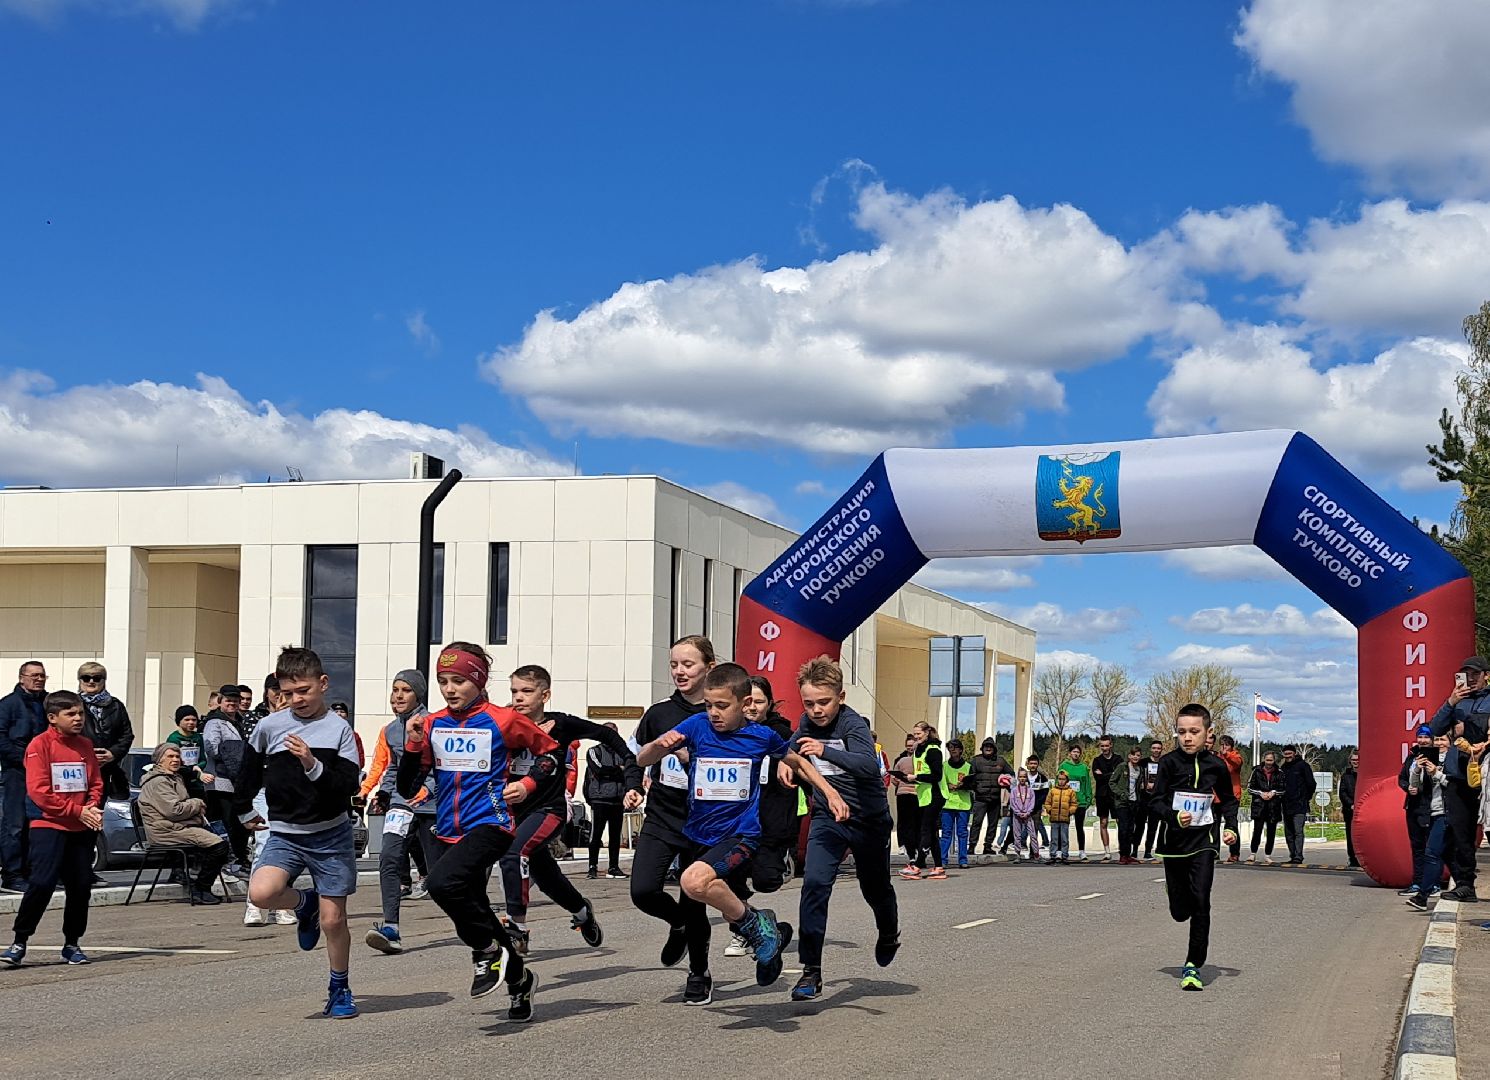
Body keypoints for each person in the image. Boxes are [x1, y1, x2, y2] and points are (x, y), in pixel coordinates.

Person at [636, 662, 844, 1004]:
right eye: (708, 705)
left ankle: (756, 927)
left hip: (739, 836)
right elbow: (643, 760)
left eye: (722, 706)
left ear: (745, 703)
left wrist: (830, 794)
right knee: (700, 900)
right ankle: (760, 927)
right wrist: (660, 745)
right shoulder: (697, 725)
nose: (713, 713)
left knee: (693, 882)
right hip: (697, 835)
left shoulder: (761, 736)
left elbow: (800, 764)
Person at [396, 643, 558, 1023]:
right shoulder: (432, 724)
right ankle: (520, 979)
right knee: (474, 909)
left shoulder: (503, 719)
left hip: (492, 823)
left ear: (479, 681)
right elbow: (408, 787)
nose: (449, 689)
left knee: (441, 885)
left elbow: (550, 755)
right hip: (449, 829)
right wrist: (413, 744)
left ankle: (485, 951)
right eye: (443, 681)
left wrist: (527, 785)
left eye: (459, 681)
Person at [234, 647, 363, 1020]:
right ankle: (305, 905)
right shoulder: (269, 727)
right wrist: (243, 809)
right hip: (286, 834)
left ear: (323, 684)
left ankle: (339, 988)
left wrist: (310, 761)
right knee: (261, 893)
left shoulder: (339, 731)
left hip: (330, 835)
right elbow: (247, 771)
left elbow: (347, 786)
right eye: (288, 693)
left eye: (304, 691)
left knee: (333, 921)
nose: (296, 700)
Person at [499, 664, 640, 955]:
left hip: (549, 809)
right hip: (515, 811)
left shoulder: (561, 724)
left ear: (545, 695)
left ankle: (516, 927)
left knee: (513, 853)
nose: (518, 697)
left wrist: (630, 769)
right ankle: (582, 911)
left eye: (527, 691)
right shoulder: (504, 721)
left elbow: (606, 735)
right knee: (546, 876)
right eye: (514, 691)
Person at [782, 656, 899, 1001]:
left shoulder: (853, 725)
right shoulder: (806, 722)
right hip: (828, 818)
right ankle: (811, 971)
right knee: (815, 884)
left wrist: (824, 751)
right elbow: (791, 749)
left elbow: (867, 766)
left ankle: (889, 932)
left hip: (869, 821)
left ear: (841, 697)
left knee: (874, 888)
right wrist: (787, 763)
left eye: (824, 702)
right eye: (809, 703)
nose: (816, 710)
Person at [629, 635, 718, 988]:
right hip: (662, 815)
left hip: (703, 820)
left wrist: (690, 758)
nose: (680, 671)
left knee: (693, 896)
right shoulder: (660, 713)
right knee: (642, 890)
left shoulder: (718, 714)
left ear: (709, 667)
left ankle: (699, 973)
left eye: (688, 664)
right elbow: (635, 754)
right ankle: (677, 923)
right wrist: (634, 786)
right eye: (674, 665)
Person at [0, 690, 103, 968]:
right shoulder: (39, 745)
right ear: (52, 718)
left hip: (81, 827)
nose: (78, 718)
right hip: (49, 824)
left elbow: (95, 783)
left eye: (80, 713)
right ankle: (19, 941)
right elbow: (39, 791)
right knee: (42, 883)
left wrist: (91, 805)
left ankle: (72, 944)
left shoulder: (85, 745)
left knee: (80, 886)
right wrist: (77, 810)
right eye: (71, 714)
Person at [1150, 703, 1237, 991]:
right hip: (1174, 843)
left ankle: (1193, 965)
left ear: (1208, 733)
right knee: (1180, 912)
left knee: (1201, 899)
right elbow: (1155, 802)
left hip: (1204, 842)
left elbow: (1229, 800)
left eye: (1194, 732)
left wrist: (1231, 827)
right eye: (1182, 732)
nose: (1187, 738)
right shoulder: (1168, 763)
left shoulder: (1217, 765)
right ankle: (1174, 892)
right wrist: (1174, 816)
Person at [362, 669, 438, 956]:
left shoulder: (434, 724)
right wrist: (384, 793)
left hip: (432, 806)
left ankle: (481, 926)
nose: (398, 696)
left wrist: (426, 790)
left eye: (405, 690)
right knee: (390, 858)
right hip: (401, 804)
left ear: (418, 694)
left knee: (441, 876)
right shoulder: (391, 730)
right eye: (395, 690)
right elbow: (394, 767)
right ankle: (391, 928)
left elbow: (441, 767)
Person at [138, 742, 233, 904]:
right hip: (166, 831)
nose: (175, 760)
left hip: (178, 826)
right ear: (159, 760)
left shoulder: (174, 777)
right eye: (170, 756)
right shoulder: (159, 782)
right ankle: (200, 889)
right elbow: (174, 811)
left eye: (177, 756)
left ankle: (200, 885)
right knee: (219, 847)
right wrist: (196, 803)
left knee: (217, 844)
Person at [1429, 656, 1490, 902]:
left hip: (1485, 776)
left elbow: (1482, 732)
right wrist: (1451, 702)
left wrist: (1466, 727)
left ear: (1486, 675)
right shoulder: (1457, 701)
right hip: (1458, 776)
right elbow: (1434, 729)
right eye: (1467, 674)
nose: (1471, 679)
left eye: (1476, 674)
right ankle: (1465, 884)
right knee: (1458, 834)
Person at [0, 661, 47, 892]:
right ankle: (12, 875)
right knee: (15, 824)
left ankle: (33, 871)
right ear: (22, 678)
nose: (39, 679)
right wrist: (25, 758)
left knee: (38, 824)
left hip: (44, 773)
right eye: (34, 675)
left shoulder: (48, 703)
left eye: (42, 675)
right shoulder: (8, 704)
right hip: (16, 772)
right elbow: (1, 738)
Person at [203, 690, 251, 874]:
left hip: (238, 780)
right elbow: (212, 748)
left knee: (240, 822)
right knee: (228, 821)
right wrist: (236, 752)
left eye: (235, 701)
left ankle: (240, 858)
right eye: (228, 701)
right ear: (220, 702)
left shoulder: (240, 721)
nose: (232, 704)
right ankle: (230, 860)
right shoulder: (214, 722)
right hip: (220, 780)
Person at [1405, 735, 1453, 911]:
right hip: (1430, 813)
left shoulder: (1454, 760)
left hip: (1447, 813)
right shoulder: (1429, 759)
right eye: (1437, 740)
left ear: (1450, 743)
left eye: (1443, 740)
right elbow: (1415, 786)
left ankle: (1422, 896)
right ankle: (1465, 886)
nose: (1440, 743)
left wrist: (1436, 773)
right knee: (1446, 855)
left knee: (1431, 853)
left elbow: (1455, 785)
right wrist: (1417, 769)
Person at [75, 662, 134, 801]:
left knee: (99, 808)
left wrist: (112, 754)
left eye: (96, 678)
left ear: (104, 681)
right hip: (78, 768)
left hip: (107, 769)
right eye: (86, 677)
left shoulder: (116, 705)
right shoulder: (71, 703)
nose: (91, 681)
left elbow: (126, 735)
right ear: (80, 680)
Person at [584, 723, 632, 879]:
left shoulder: (623, 753)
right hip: (599, 799)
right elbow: (599, 770)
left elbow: (630, 770)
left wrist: (617, 772)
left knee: (615, 836)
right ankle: (592, 867)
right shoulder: (594, 751)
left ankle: (613, 866)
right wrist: (618, 770)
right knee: (596, 834)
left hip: (617, 800)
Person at [1398, 727, 1440, 898]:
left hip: (1431, 807)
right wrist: (1407, 787)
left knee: (1432, 849)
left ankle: (1434, 884)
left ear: (1432, 739)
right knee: (1417, 847)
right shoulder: (1412, 757)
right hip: (1413, 807)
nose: (1422, 740)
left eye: (1426, 737)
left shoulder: (1437, 756)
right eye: (1420, 737)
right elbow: (1401, 778)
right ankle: (1417, 882)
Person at [901, 722, 946, 880]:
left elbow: (936, 775)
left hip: (935, 794)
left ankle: (917, 865)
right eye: (914, 734)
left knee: (925, 829)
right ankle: (939, 867)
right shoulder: (919, 750)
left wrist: (917, 777)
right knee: (931, 832)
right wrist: (910, 779)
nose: (916, 737)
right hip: (924, 794)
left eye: (919, 734)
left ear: (927, 732)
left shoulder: (933, 750)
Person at [966, 738, 1008, 858]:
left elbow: (1011, 774)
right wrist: (975, 788)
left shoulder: (1001, 761)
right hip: (980, 798)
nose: (988, 748)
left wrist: (1005, 780)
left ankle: (988, 846)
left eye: (990, 746)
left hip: (995, 799)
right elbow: (970, 777)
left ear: (994, 749)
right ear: (982, 748)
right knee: (976, 823)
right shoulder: (976, 760)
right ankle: (972, 846)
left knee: (993, 824)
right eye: (986, 746)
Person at [165, 706, 214, 801]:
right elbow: (172, 762)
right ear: (179, 721)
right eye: (187, 720)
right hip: (180, 781)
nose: (191, 722)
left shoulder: (198, 737)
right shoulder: (174, 738)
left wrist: (198, 767)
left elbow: (203, 759)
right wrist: (191, 770)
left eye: (194, 720)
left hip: (197, 783)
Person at [1279, 746, 1316, 865]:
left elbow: (1311, 784)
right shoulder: (1283, 768)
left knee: (1298, 831)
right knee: (1288, 833)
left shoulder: (1303, 766)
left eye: (1289, 753)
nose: (1287, 756)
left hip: (1300, 805)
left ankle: (1298, 856)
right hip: (1286, 805)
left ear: (1294, 753)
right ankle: (1292, 855)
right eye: (1285, 754)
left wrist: (1305, 797)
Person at [939, 740, 972, 869]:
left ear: (961, 750)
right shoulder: (944, 766)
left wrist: (964, 785)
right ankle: (942, 860)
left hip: (963, 804)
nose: (952, 750)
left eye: (955, 748)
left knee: (962, 833)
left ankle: (963, 860)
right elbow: (940, 783)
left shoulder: (968, 767)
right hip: (948, 804)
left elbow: (974, 784)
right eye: (950, 748)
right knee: (946, 833)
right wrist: (948, 785)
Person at [1109, 745, 1145, 863]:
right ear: (1129, 756)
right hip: (1122, 802)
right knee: (1123, 828)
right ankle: (1123, 854)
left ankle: (1128, 854)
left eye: (1138, 755)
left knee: (1130, 829)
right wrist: (1121, 793)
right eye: (1133, 755)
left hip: (1134, 802)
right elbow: (1112, 782)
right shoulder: (1122, 767)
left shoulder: (1140, 770)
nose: (1135, 757)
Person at [1247, 751, 1284, 864]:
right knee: (1257, 831)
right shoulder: (1256, 771)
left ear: (1274, 760)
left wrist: (1273, 792)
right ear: (1264, 760)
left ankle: (1268, 855)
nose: (1269, 763)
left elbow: (1283, 789)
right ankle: (1253, 853)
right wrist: (1260, 793)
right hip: (1259, 806)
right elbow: (1250, 788)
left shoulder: (1279, 773)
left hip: (1273, 807)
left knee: (1271, 832)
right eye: (1267, 760)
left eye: (1271, 760)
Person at [1057, 744, 1092, 861]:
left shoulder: (1084, 767)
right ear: (1070, 753)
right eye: (1074, 752)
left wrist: (1088, 799)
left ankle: (1082, 851)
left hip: (1080, 801)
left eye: (1078, 752)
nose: (1076, 754)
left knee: (1079, 827)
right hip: (1066, 801)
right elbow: (1058, 781)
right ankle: (1060, 851)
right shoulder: (1064, 765)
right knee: (1063, 826)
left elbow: (1087, 784)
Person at [890, 735, 920, 863]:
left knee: (914, 821)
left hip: (914, 793)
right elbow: (894, 778)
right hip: (904, 793)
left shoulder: (919, 759)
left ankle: (913, 845)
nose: (910, 748)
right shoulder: (900, 759)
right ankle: (902, 844)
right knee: (903, 820)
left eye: (912, 746)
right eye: (908, 746)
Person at [1090, 735, 1120, 861]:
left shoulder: (1118, 759)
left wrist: (1104, 775)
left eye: (1106, 745)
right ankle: (1107, 851)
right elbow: (1098, 778)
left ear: (1111, 745)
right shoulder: (1096, 761)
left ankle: (1123, 848)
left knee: (1120, 821)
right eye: (1102, 746)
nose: (1104, 748)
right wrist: (1111, 774)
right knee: (1103, 822)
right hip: (1101, 795)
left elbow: (1118, 776)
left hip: (1115, 795)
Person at [1216, 736, 1245, 863]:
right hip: (1217, 796)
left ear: (1231, 746)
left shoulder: (1235, 756)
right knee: (1214, 825)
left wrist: (1226, 754)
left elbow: (1236, 763)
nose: (1224, 747)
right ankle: (1214, 852)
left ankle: (1234, 853)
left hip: (1232, 796)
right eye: (1222, 744)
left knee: (1231, 825)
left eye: (1227, 745)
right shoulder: (1216, 757)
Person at [1139, 739, 1164, 861]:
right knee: (1139, 825)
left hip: (1157, 799)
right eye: (1154, 748)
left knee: (1153, 827)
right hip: (1144, 798)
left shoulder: (1164, 762)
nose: (1156, 750)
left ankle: (1148, 851)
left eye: (1158, 748)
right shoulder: (1143, 762)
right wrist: (1143, 784)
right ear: (1150, 749)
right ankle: (1134, 849)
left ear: (1161, 750)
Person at [1045, 771, 1077, 864]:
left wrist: (1069, 811)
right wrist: (1050, 810)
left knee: (1064, 839)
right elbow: (1047, 803)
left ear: (1067, 780)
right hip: (1054, 818)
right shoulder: (1053, 791)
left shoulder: (1070, 791)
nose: (1061, 781)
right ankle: (1053, 855)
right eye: (1059, 779)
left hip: (1065, 819)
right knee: (1054, 838)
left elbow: (1074, 804)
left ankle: (1064, 855)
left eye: (1063, 779)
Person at [1009, 768, 1039, 860]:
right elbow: (1012, 803)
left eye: (1024, 777)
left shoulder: (1030, 791)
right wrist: (1018, 812)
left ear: (1027, 778)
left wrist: (1027, 812)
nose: (1022, 778)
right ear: (1018, 778)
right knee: (1017, 835)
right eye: (1020, 776)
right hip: (1017, 816)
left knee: (1033, 835)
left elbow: (1032, 803)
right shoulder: (1014, 790)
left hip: (1028, 815)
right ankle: (1017, 854)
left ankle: (1036, 854)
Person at [1340, 748, 1359, 869]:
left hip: (1364, 809)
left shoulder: (1366, 774)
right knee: (1350, 835)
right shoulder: (1345, 776)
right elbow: (1342, 793)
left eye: (1358, 760)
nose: (1356, 762)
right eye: (1353, 760)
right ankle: (1352, 858)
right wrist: (1351, 804)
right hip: (1350, 810)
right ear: (1350, 761)